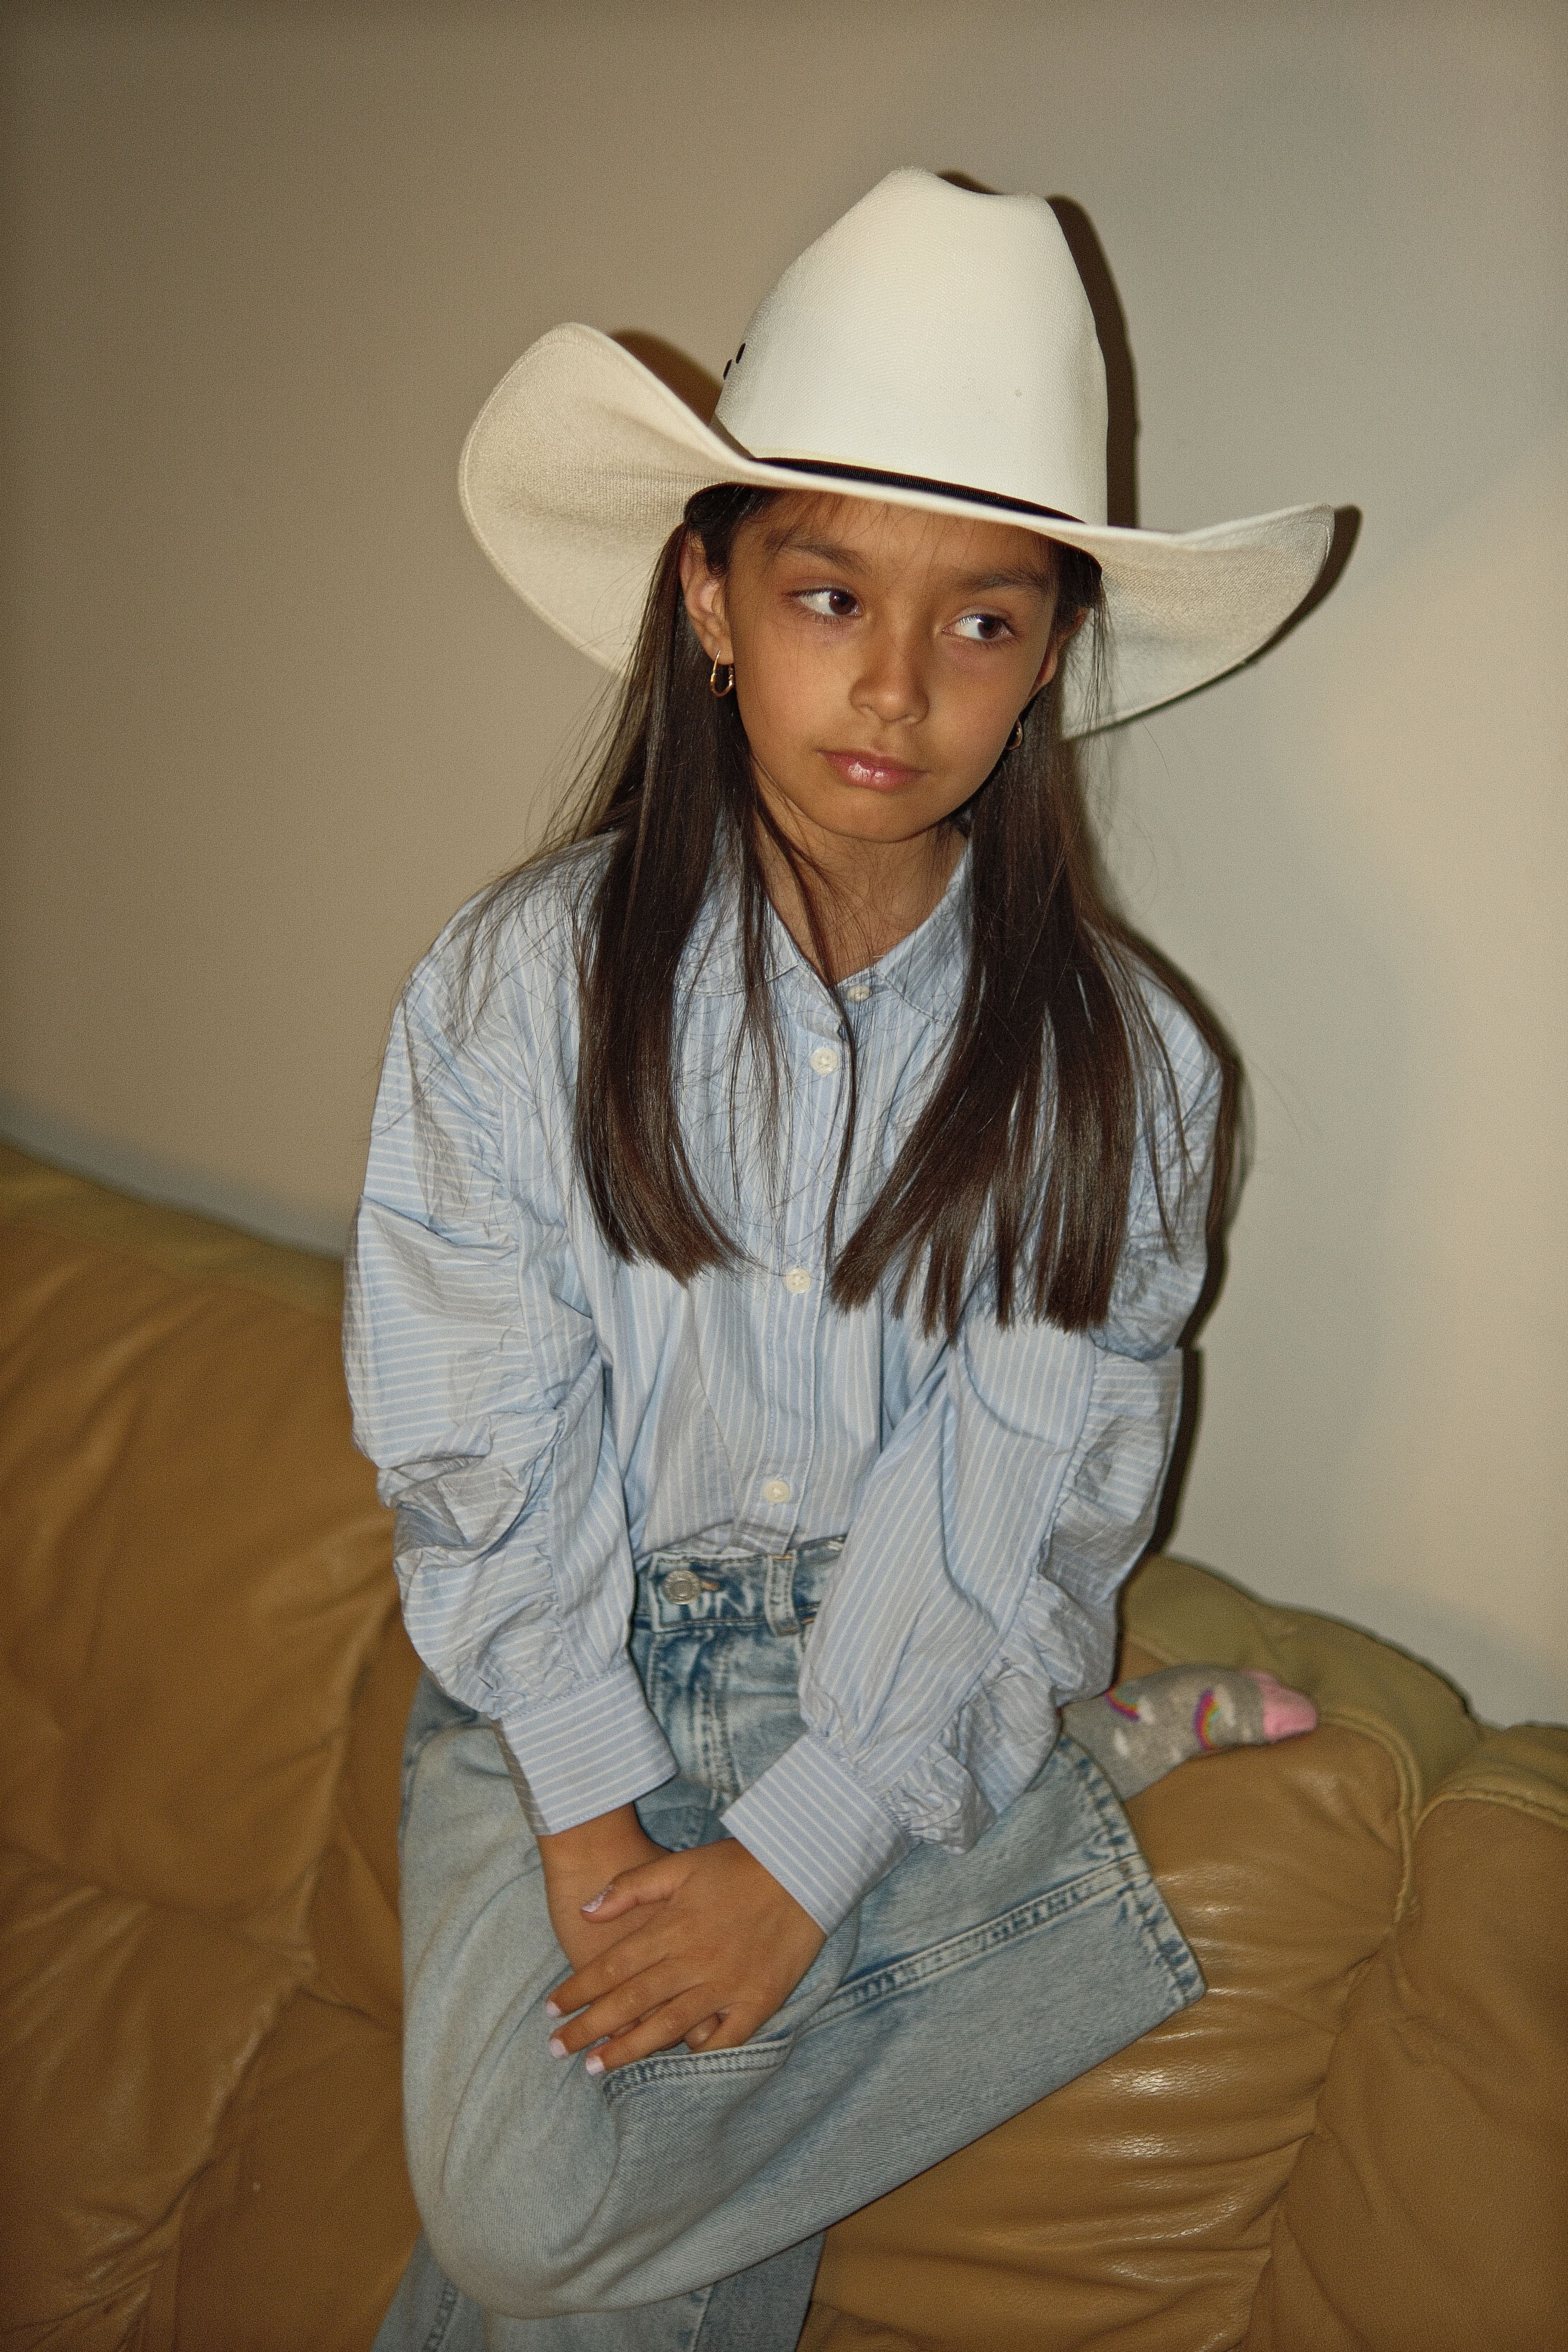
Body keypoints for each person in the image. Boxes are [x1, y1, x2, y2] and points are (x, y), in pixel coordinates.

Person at [347, 169, 1327, 2351]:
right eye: (823, 593)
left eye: (981, 617)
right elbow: (475, 1411)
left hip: (887, 1678)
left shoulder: (1119, 1070)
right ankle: (1065, 1875)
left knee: (542, 2251)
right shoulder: (523, 986)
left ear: (1051, 648)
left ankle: (1008, 1795)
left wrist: (805, 1855)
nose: (895, 685)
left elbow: (1028, 1483)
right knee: (535, 2205)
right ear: (704, 599)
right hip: (555, 1665)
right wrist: (600, 1809)